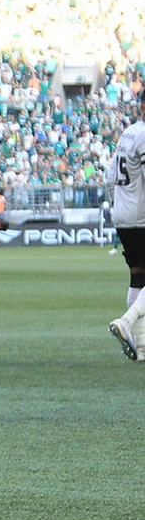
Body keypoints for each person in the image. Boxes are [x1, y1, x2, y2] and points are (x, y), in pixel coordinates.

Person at [105, 89, 145, 361]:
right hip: (141, 216)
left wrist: (116, 206)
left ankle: (141, 346)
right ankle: (127, 322)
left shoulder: (129, 131)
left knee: (138, 277)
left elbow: (109, 177)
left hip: (123, 214)